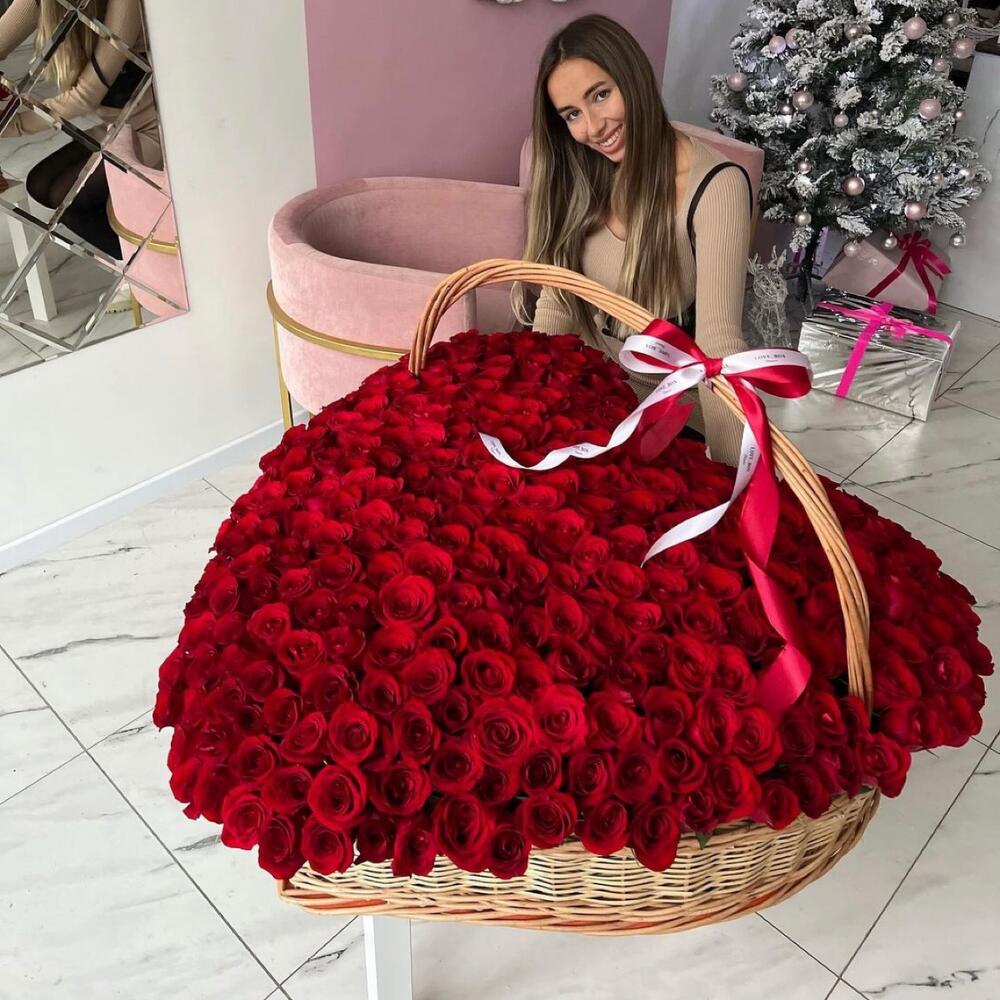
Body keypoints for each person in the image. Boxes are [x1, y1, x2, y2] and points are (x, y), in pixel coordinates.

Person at [516, 14, 753, 467]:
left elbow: (718, 343)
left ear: (633, 76)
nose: (593, 127)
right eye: (572, 115)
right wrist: (533, 412)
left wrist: (731, 473)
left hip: (667, 412)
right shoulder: (581, 171)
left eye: (600, 95)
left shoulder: (717, 186)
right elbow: (557, 304)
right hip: (587, 393)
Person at [0, 0, 160, 264]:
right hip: (120, 126)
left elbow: (86, 96)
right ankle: (143, 262)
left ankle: (151, 267)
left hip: (157, 127)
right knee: (39, 184)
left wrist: (12, 124)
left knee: (70, 200)